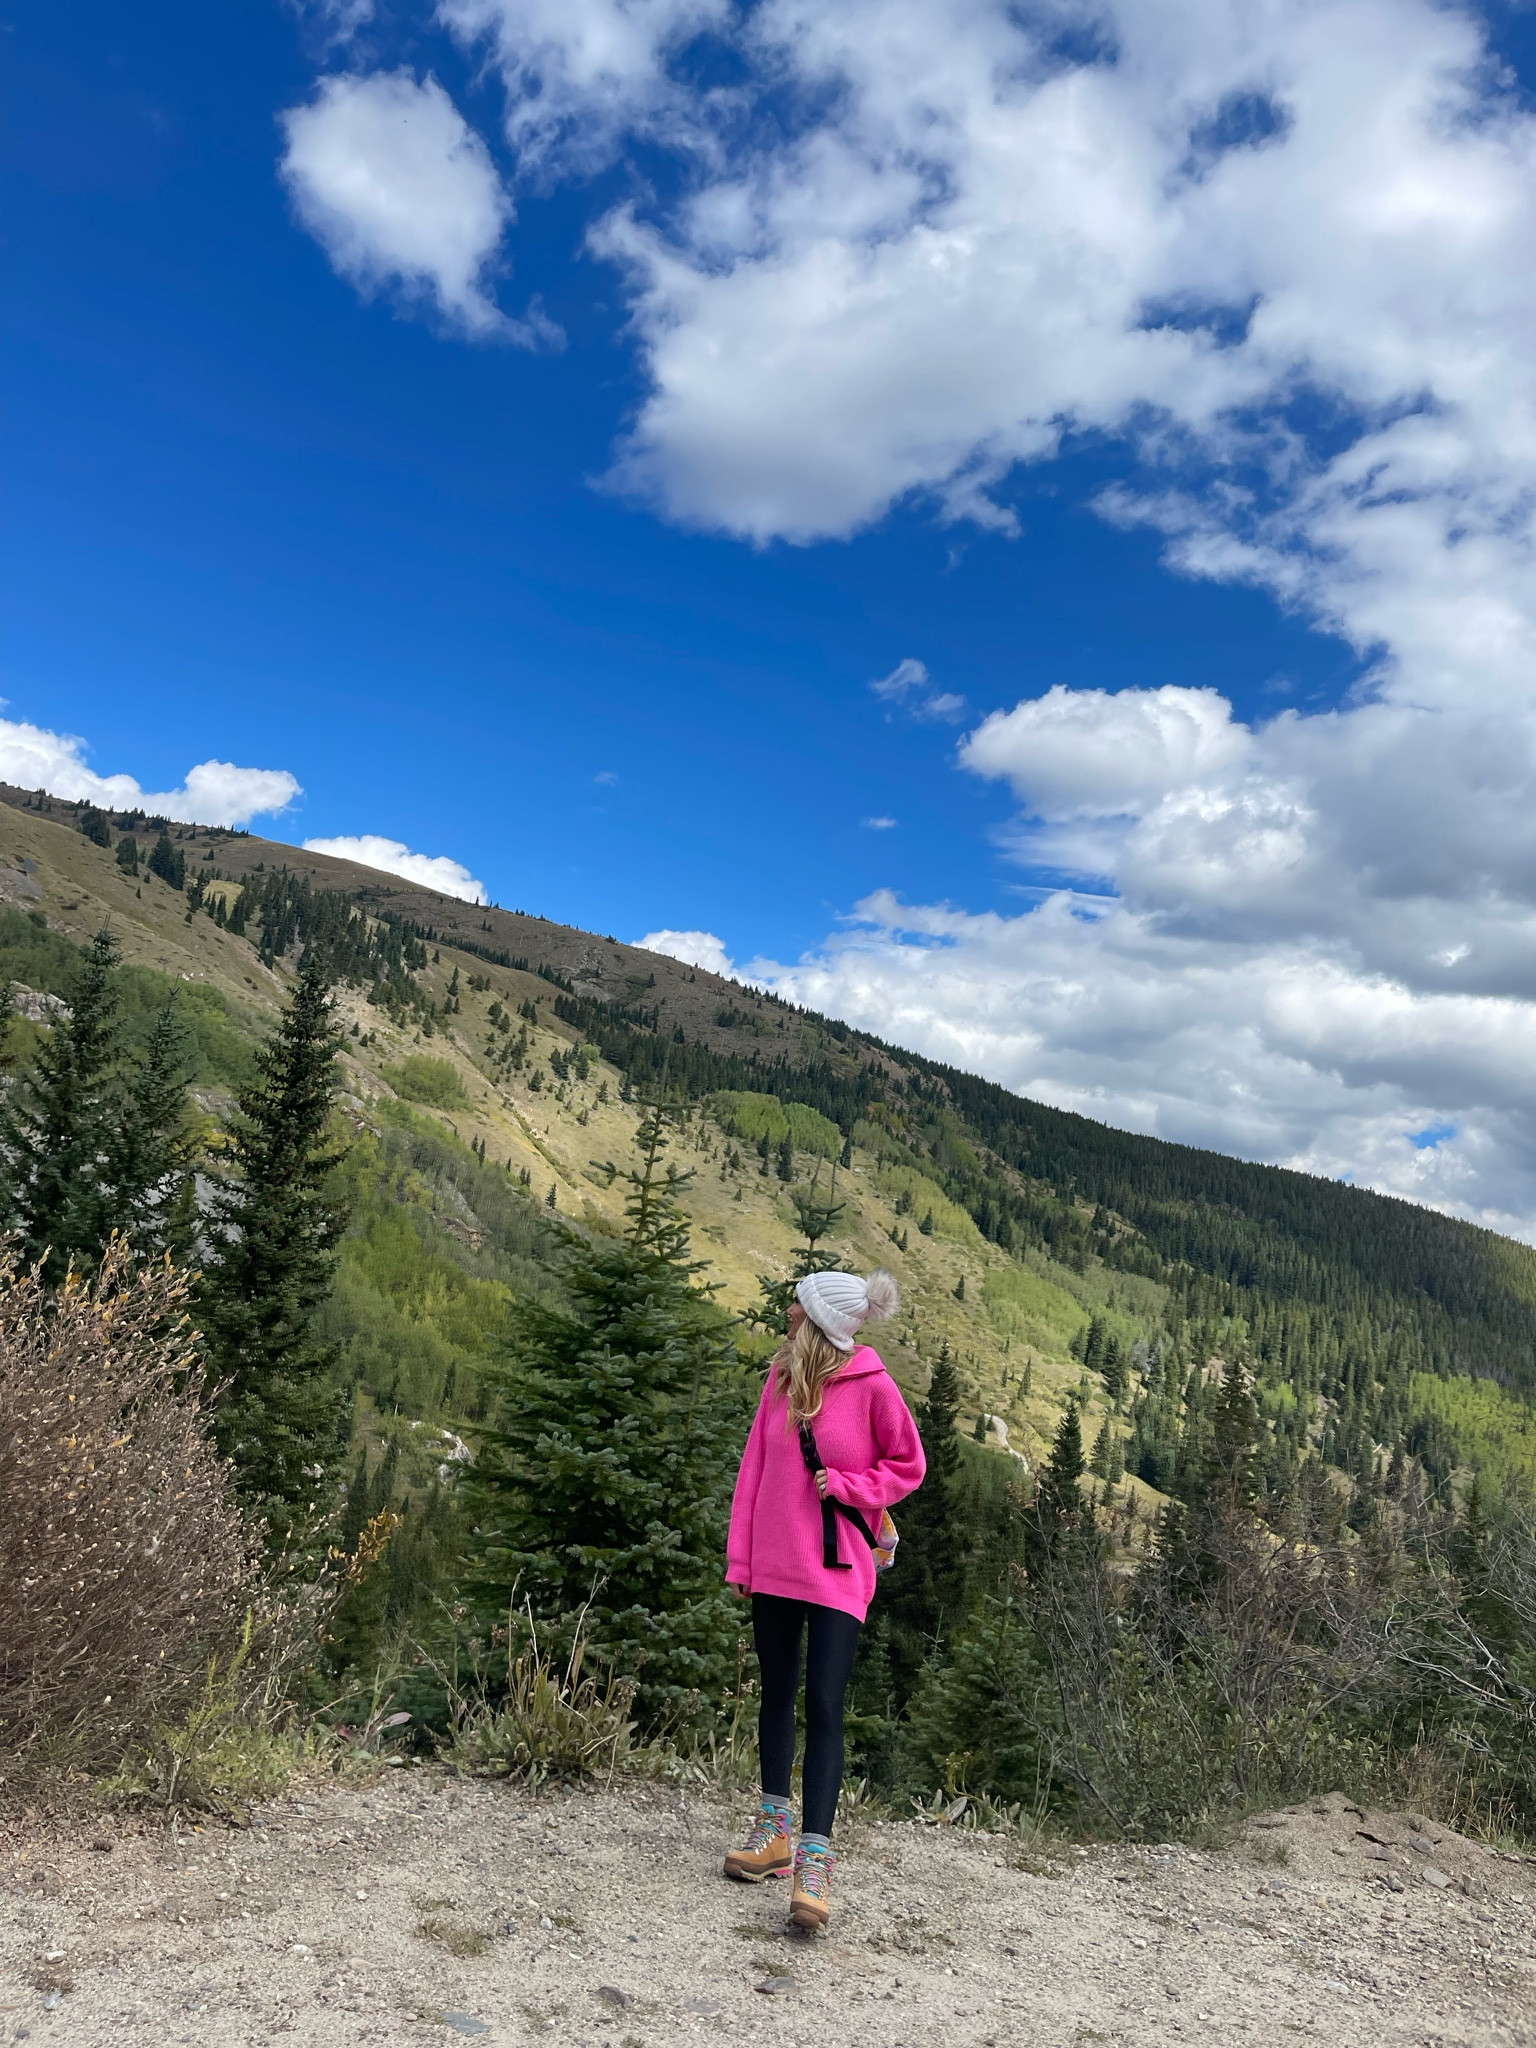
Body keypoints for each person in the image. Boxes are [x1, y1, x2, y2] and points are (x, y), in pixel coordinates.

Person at [722, 1268, 925, 1930]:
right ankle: (772, 1832)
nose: (788, 1314)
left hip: (838, 1568)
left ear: (821, 1324)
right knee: (776, 1694)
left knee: (825, 1705)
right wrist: (742, 1559)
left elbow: (909, 1466)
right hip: (775, 1563)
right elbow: (754, 1471)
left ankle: (815, 1861)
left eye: (798, 1308)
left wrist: (849, 1486)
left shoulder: (874, 1387)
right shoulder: (779, 1383)